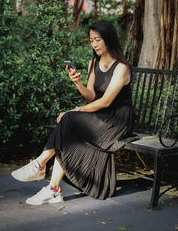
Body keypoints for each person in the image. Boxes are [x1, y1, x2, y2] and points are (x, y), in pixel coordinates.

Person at [11, 20, 135, 205]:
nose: (94, 44)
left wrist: (76, 110)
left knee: (68, 118)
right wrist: (77, 82)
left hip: (117, 121)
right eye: (91, 40)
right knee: (67, 130)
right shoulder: (94, 62)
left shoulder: (121, 68)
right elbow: (92, 97)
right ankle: (53, 188)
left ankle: (40, 164)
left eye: (98, 40)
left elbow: (106, 101)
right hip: (100, 117)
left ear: (108, 39)